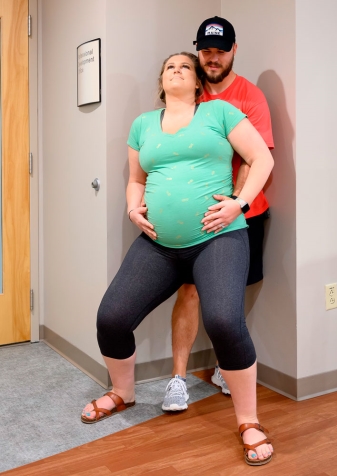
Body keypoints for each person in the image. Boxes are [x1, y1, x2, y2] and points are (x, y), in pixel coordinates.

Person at [81, 51, 274, 466]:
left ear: (198, 80)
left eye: (185, 66)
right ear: (161, 80)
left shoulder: (220, 112)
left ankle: (248, 420)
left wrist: (239, 203)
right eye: (169, 66)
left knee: (223, 320)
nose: (177, 70)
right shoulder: (142, 125)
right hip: (159, 245)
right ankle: (123, 392)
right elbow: (136, 179)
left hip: (217, 238)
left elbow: (263, 159)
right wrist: (134, 210)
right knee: (111, 317)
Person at [162, 16, 274, 411]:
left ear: (234, 51)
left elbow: (253, 159)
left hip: (243, 211)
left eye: (220, 51)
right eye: (206, 51)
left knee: (230, 294)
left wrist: (234, 204)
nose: (212, 58)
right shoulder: (189, 92)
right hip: (195, 215)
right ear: (198, 52)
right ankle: (178, 377)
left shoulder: (250, 96)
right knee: (189, 290)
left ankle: (227, 367)